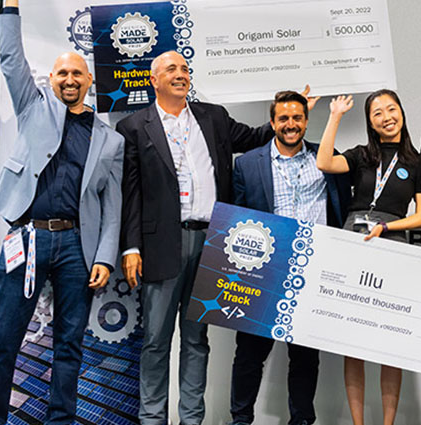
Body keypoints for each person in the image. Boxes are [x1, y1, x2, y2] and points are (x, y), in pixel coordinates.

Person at [117, 51, 317, 424]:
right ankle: (152, 418)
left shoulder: (214, 117)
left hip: (212, 244)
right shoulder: (133, 127)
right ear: (154, 79)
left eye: (184, 69)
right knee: (156, 341)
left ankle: (192, 419)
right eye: (171, 70)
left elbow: (259, 135)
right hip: (161, 245)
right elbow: (130, 195)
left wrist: (289, 111)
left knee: (196, 340)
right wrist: (130, 246)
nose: (180, 74)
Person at [0, 0, 123, 423]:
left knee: (70, 343)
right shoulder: (32, 105)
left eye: (77, 73)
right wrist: (10, 6)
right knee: (4, 337)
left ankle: (60, 420)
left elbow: (111, 207)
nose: (70, 79)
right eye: (62, 73)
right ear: (52, 79)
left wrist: (104, 257)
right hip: (27, 237)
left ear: (89, 80)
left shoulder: (109, 140)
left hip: (77, 247)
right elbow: (9, 57)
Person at [228, 90, 350, 425]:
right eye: (284, 118)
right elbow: (236, 220)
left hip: (313, 268)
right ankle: (240, 420)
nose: (291, 124)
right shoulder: (247, 163)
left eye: (297, 118)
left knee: (305, 355)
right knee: (250, 353)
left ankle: (301, 420)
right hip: (263, 270)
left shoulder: (326, 158)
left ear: (306, 122)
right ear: (272, 123)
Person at [316, 89, 421, 425]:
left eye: (391, 109)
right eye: (377, 112)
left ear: (402, 112)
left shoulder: (418, 162)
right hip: (354, 243)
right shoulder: (362, 155)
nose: (386, 117)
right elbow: (325, 162)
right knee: (353, 340)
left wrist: (388, 225)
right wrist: (335, 115)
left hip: (392, 244)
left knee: (388, 341)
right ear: (370, 122)